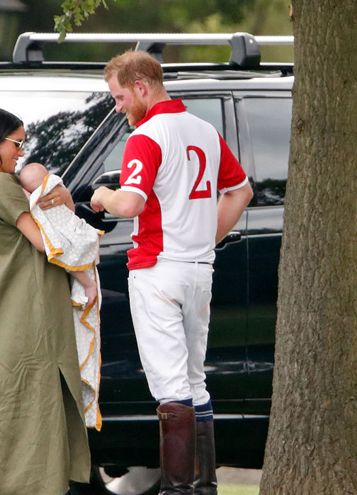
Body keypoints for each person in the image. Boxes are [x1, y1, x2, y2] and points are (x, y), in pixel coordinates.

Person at [91, 51, 254, 495]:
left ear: (141, 87)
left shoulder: (147, 136)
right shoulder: (204, 130)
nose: (119, 106)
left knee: (170, 386)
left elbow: (132, 203)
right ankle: (203, 487)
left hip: (158, 269)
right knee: (195, 381)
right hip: (199, 268)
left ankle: (177, 490)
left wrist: (104, 194)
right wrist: (206, 236)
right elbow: (241, 192)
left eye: (121, 96)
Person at [0, 108, 90, 495]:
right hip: (23, 323)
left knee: (12, 423)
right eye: (16, 143)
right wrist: (64, 204)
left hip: (0, 323)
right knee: (33, 424)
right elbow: (50, 242)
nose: (21, 153)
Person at [19, 161, 103, 431]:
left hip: (67, 250)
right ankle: (87, 283)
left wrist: (66, 200)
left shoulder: (50, 195)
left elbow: (58, 235)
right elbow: (53, 242)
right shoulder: (28, 200)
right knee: (71, 255)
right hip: (64, 260)